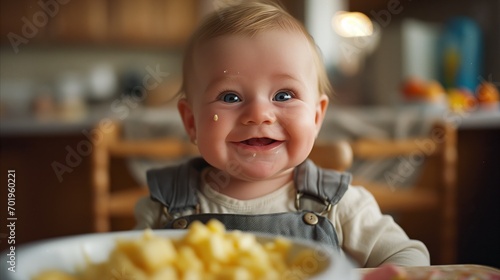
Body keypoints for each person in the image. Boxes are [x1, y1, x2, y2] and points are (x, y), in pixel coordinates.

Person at [134, 0, 430, 268]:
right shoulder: (163, 207)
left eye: (284, 95)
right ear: (192, 123)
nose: (259, 114)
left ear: (316, 117)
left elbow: (409, 257)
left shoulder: (339, 205)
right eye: (230, 98)